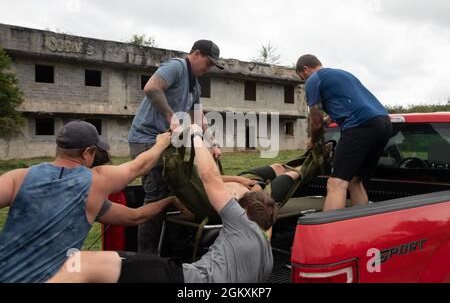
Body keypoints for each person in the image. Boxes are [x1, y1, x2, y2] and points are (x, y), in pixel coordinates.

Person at [48, 124, 278, 283]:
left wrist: (192, 136)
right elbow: (133, 216)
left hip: (182, 278)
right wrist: (168, 200)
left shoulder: (240, 222)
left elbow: (208, 176)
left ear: (245, 212)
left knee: (82, 263)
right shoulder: (267, 252)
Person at [0, 121, 190, 283]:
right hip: (51, 278)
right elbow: (139, 167)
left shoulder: (18, 177)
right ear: (87, 152)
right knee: (151, 268)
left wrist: (167, 201)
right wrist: (161, 142)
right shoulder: (95, 182)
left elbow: (134, 217)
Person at [128, 40, 224, 254]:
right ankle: (146, 257)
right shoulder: (176, 67)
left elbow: (199, 117)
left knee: (178, 193)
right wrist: (171, 117)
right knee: (156, 198)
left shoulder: (195, 85)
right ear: (196, 54)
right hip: (146, 139)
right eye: (208, 63)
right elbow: (151, 87)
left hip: (167, 143)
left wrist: (212, 143)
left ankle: (170, 252)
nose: (208, 69)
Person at [296, 54, 393, 211]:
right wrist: (329, 120)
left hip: (360, 126)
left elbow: (315, 121)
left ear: (305, 69)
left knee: (336, 183)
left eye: (302, 78)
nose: (304, 81)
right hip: (384, 123)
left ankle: (329, 233)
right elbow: (351, 103)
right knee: (355, 180)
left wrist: (313, 142)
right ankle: (361, 226)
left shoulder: (313, 80)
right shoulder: (343, 74)